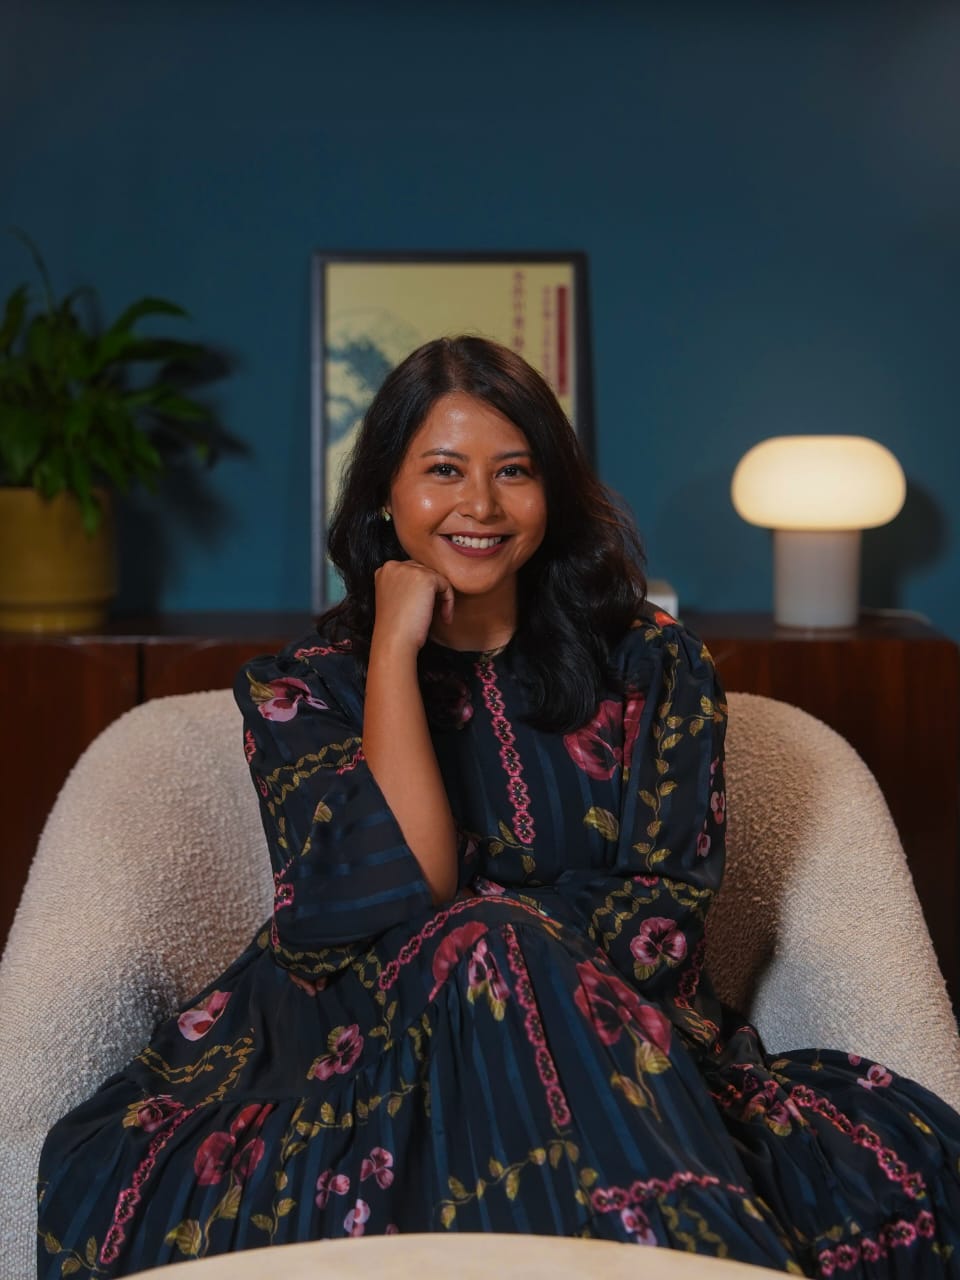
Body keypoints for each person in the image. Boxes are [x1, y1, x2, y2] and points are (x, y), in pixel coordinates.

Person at [38, 336, 960, 1277]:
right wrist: (393, 652)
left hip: (613, 1044)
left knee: (498, 945)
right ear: (385, 496)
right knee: (480, 943)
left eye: (512, 472)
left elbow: (662, 914)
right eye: (443, 470)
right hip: (350, 1047)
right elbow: (379, 903)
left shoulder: (653, 667)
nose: (479, 506)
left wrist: (501, 940)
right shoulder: (304, 690)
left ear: (550, 492)